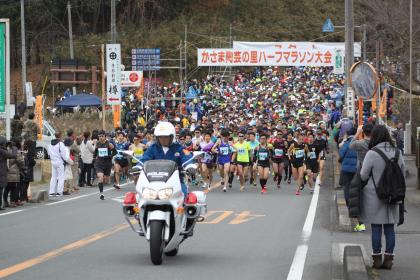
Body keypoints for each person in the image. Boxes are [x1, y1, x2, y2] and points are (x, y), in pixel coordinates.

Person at [360, 125, 405, 270]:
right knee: (390, 228)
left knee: (376, 228)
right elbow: (402, 175)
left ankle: (377, 259)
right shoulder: (398, 152)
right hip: (393, 195)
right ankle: (389, 259)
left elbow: (363, 175)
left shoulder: (372, 153)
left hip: (374, 196)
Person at [139, 122, 192, 197]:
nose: (163, 139)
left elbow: (186, 158)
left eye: (166, 137)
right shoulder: (153, 148)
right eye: (161, 137)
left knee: (184, 197)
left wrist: (190, 165)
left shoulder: (178, 148)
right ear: (157, 138)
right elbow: (144, 158)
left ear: (171, 137)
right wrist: (138, 166)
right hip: (153, 181)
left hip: (176, 182)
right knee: (140, 197)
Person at [94, 130, 116, 200]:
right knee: (100, 177)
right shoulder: (97, 144)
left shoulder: (109, 144)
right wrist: (95, 157)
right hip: (99, 163)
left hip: (107, 163)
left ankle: (104, 183)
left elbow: (115, 152)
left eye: (102, 136)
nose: (101, 138)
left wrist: (110, 156)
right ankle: (101, 194)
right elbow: (96, 152)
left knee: (106, 179)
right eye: (99, 136)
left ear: (105, 137)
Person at [338, 127, 358, 205]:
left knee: (347, 187)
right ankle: (355, 204)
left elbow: (341, 153)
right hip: (356, 168)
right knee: (355, 187)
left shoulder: (347, 143)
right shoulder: (358, 142)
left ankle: (348, 203)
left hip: (346, 169)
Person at [48, 132, 71, 197]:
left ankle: (51, 192)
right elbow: (63, 155)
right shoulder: (61, 144)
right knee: (61, 177)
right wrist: (66, 160)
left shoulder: (50, 144)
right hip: (60, 162)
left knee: (53, 177)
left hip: (53, 162)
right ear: (60, 136)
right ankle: (59, 192)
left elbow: (49, 154)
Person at [4, 139, 25, 207]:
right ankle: (12, 201)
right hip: (14, 172)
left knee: (7, 188)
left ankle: (5, 202)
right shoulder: (16, 152)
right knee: (13, 188)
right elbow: (21, 162)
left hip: (6, 171)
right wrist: (23, 165)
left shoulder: (6, 151)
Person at [0, 137, 16, 210]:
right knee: (0, 189)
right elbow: (13, 156)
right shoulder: (2, 151)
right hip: (1, 172)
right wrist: (14, 147)